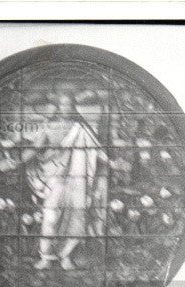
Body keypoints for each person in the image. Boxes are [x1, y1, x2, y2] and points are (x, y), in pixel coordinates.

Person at [22, 92, 117, 271]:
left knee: (77, 218)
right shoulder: (50, 127)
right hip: (56, 178)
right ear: (58, 106)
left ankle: (66, 256)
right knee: (51, 217)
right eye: (62, 104)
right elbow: (35, 149)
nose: (66, 108)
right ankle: (46, 256)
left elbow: (97, 149)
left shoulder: (80, 128)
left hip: (77, 181)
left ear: (73, 106)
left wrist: (112, 162)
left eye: (69, 104)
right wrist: (16, 160)